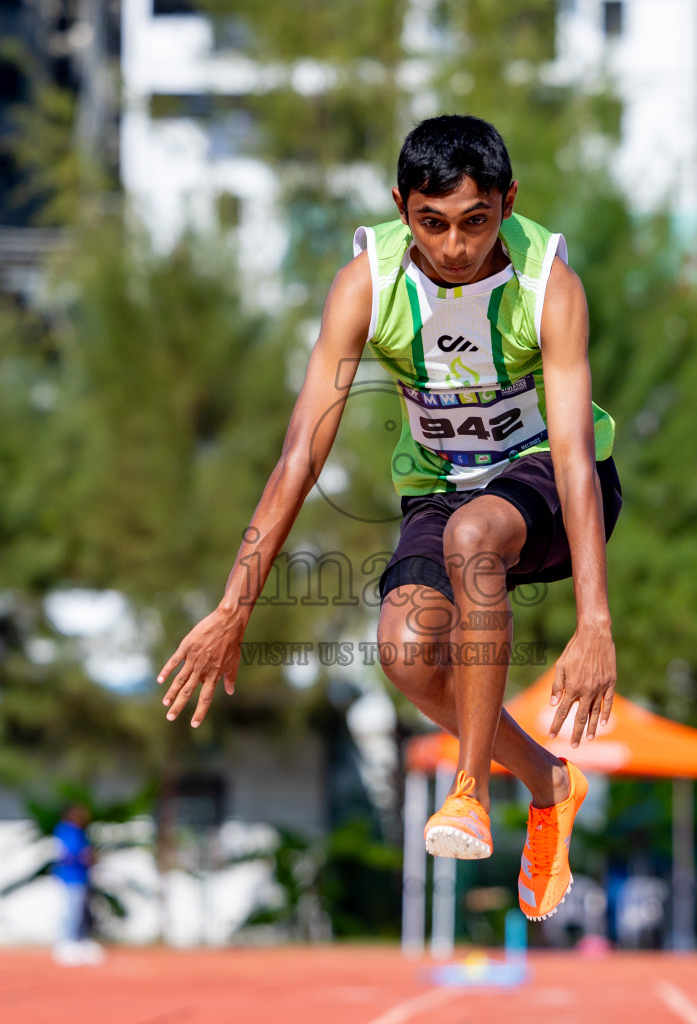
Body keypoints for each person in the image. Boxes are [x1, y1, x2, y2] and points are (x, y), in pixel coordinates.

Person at [159, 115, 620, 923]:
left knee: (476, 534)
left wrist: (595, 622)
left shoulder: (550, 287)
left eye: (477, 221)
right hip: (440, 486)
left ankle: (470, 792)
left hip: (550, 482)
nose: (454, 247)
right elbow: (300, 456)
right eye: (432, 223)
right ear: (401, 207)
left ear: (508, 203)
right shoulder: (365, 285)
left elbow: (578, 458)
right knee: (406, 656)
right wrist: (235, 606)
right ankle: (548, 781)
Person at [51, 804, 103, 965]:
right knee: (70, 911)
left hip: (80, 877)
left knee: (80, 912)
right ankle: (65, 943)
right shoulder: (65, 830)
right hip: (69, 878)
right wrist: (85, 856)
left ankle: (79, 941)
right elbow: (67, 853)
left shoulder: (80, 832)